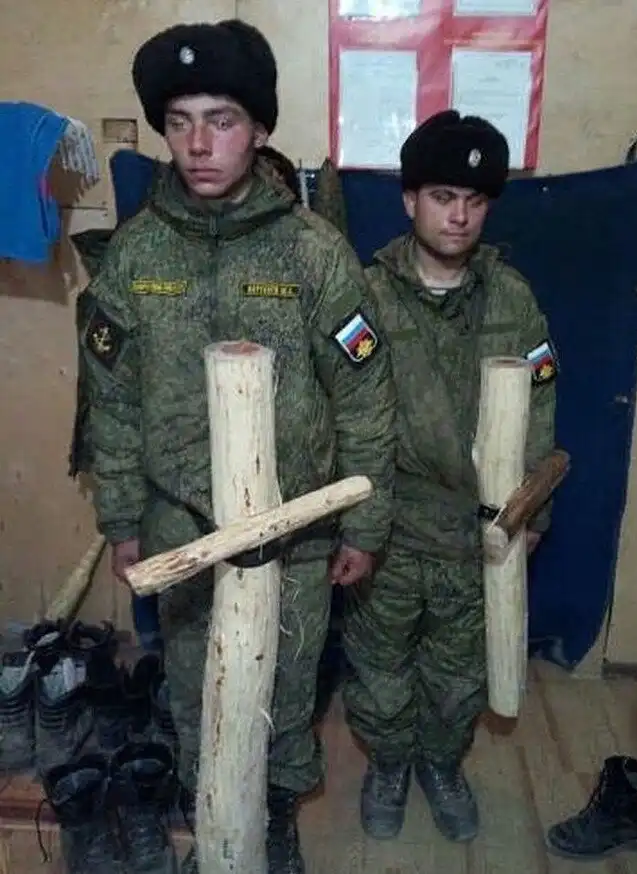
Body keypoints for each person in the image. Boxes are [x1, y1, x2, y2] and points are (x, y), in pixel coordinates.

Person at [78, 18, 396, 874]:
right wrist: (122, 518)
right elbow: (110, 400)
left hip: (295, 527)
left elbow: (365, 395)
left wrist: (367, 524)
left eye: (220, 120)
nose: (197, 144)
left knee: (287, 684)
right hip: (181, 520)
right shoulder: (136, 254)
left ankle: (275, 814)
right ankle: (212, 815)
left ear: (258, 129)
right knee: (193, 680)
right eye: (179, 122)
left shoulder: (314, 254)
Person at [342, 111, 557, 844]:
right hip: (392, 531)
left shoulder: (512, 299)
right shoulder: (364, 296)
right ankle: (387, 766)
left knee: (458, 672)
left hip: (479, 533)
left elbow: (541, 407)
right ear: (410, 200)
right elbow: (345, 415)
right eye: (441, 196)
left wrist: (532, 514)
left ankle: (440, 764)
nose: (458, 215)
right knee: (379, 665)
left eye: (474, 199)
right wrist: (357, 527)